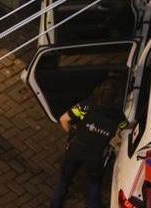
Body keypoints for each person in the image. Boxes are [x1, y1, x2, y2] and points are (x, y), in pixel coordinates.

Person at [49, 77, 127, 208]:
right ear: (116, 98)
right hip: (95, 156)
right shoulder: (118, 116)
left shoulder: (85, 106)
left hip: (76, 149)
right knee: (93, 185)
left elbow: (63, 119)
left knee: (64, 182)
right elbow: (125, 127)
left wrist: (72, 133)